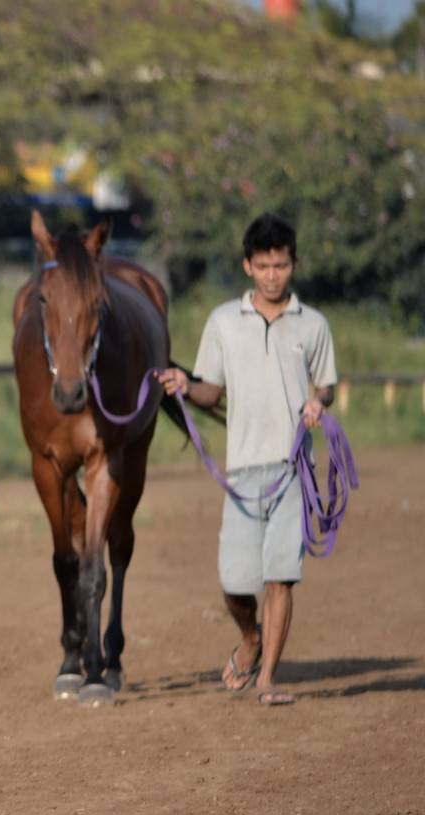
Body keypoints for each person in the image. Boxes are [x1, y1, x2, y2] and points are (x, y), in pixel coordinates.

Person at [156, 213, 337, 706]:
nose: (273, 274)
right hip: (242, 470)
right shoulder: (222, 323)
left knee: (281, 575)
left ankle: (267, 681)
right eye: (263, 265)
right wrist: (185, 387)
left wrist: (320, 400)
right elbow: (212, 389)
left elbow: (326, 381)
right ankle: (250, 637)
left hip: (292, 469)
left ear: (293, 265)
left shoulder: (314, 324)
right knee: (234, 582)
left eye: (281, 265)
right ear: (247, 266)